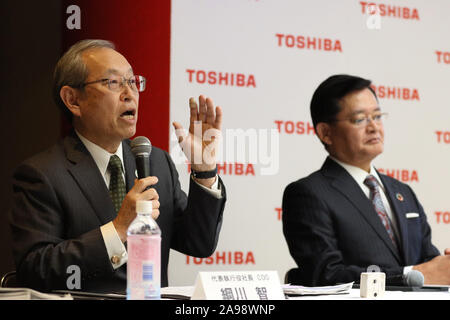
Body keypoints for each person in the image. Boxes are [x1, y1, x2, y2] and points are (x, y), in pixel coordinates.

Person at [9, 39, 226, 293]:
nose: (130, 93)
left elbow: (198, 243)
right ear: (73, 100)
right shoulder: (42, 174)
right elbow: (36, 269)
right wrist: (118, 229)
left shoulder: (157, 162)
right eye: (113, 82)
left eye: (133, 82)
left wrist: (204, 170)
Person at [282, 74, 450, 286]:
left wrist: (443, 266)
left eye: (377, 116)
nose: (374, 127)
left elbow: (426, 261)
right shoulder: (308, 194)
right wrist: (411, 274)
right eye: (360, 119)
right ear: (325, 132)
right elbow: (326, 275)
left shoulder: (403, 192)